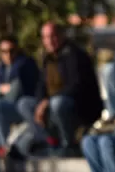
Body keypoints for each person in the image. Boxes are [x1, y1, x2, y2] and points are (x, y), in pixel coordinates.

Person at [29, 23, 102, 154]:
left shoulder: (75, 55)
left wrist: (48, 102)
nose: (49, 41)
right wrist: (41, 102)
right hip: (52, 105)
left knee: (58, 103)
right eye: (45, 37)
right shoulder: (47, 58)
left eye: (53, 36)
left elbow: (76, 86)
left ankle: (69, 145)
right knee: (25, 104)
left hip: (78, 108)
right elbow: (41, 85)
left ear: (61, 36)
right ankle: (48, 140)